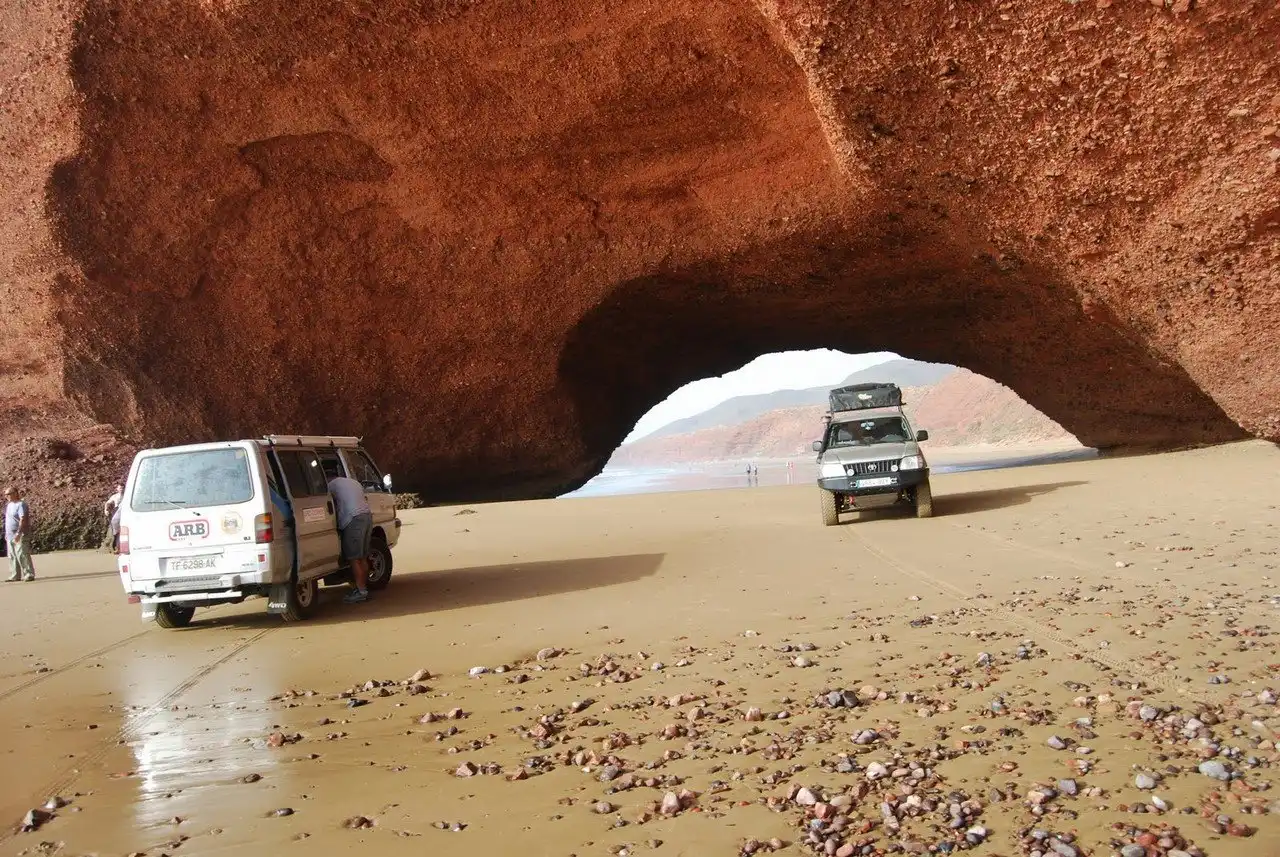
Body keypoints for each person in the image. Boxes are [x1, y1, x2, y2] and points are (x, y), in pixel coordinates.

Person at [325, 463, 373, 604]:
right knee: (362, 557)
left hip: (353, 519)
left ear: (327, 477)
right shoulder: (352, 482)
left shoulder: (331, 486)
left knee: (354, 558)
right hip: (367, 516)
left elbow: (327, 503)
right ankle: (363, 588)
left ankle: (361, 591)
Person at [5, 486, 35, 582]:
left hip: (21, 534)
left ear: (15, 493)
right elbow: (9, 520)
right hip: (10, 534)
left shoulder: (21, 504)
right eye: (6, 494)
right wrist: (7, 534)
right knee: (12, 555)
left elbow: (23, 519)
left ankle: (29, 574)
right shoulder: (9, 505)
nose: (7, 496)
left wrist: (19, 533)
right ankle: (15, 575)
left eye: (9, 494)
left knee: (22, 554)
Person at [104, 483, 123, 552]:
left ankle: (119, 546)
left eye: (122, 488)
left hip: (124, 512)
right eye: (120, 488)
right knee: (115, 530)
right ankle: (115, 546)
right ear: (117, 489)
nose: (121, 489)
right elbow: (107, 503)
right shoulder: (114, 496)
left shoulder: (127, 495)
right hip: (116, 512)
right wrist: (106, 510)